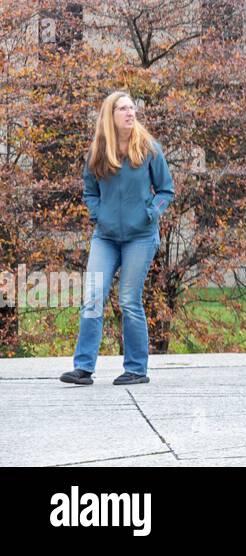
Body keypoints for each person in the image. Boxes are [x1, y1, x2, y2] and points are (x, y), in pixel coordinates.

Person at [60, 91, 174, 386]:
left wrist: (151, 213)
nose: (130, 113)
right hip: (106, 238)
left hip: (141, 237)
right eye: (123, 108)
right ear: (110, 115)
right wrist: (98, 215)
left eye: (132, 108)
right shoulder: (98, 151)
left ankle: (136, 369)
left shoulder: (149, 148)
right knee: (93, 299)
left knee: (128, 300)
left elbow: (166, 191)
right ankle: (83, 368)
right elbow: (89, 192)